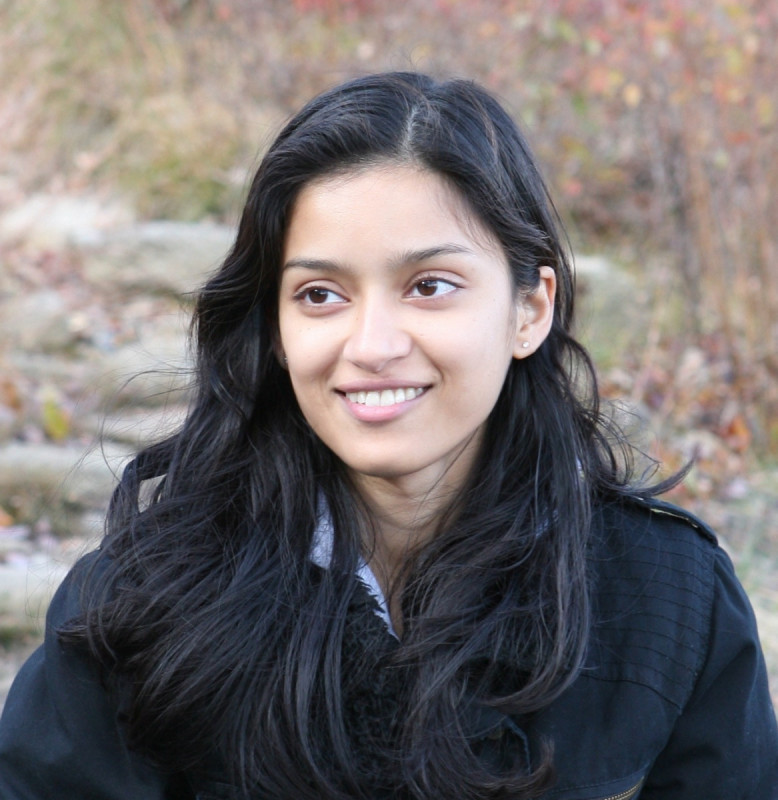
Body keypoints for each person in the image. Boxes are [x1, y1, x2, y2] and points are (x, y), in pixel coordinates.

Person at [0, 71, 775, 800]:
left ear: (529, 309)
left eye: (429, 286)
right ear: (275, 328)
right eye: (320, 294)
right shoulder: (143, 601)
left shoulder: (669, 600)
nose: (372, 345)